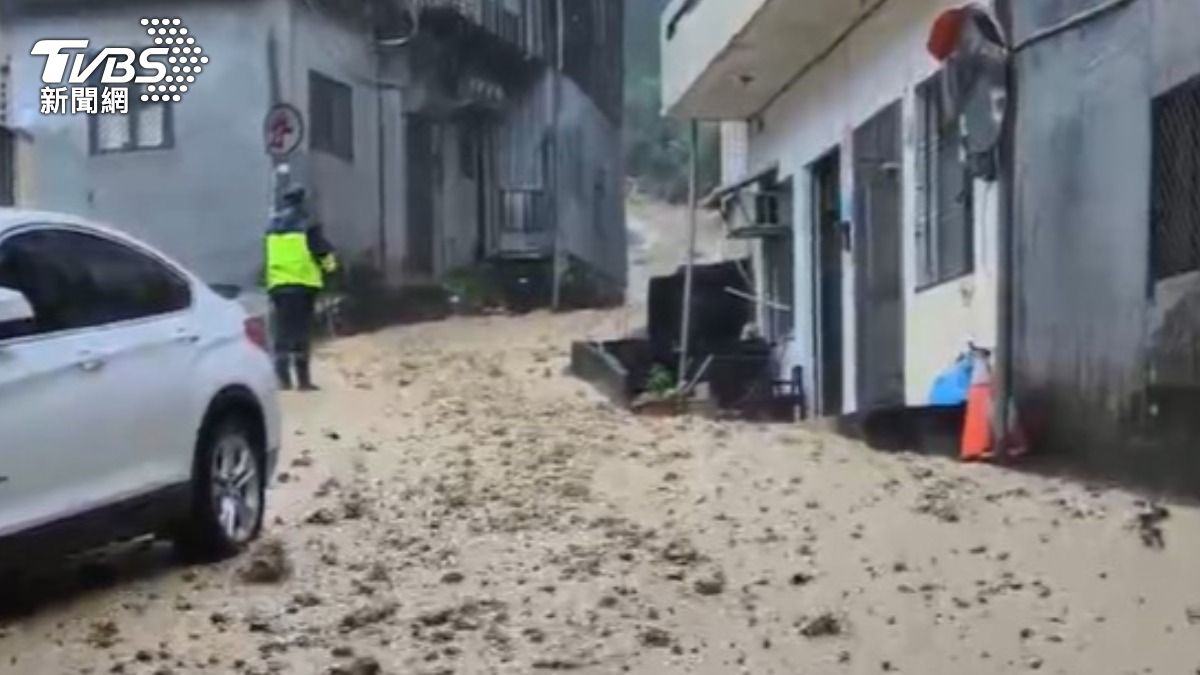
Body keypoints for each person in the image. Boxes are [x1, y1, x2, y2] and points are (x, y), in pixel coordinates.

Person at [264, 185, 338, 391]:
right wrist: (331, 268)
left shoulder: (272, 226)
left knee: (282, 332)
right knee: (301, 332)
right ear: (302, 202)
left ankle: (283, 379)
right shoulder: (307, 225)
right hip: (302, 285)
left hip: (278, 285)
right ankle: (303, 380)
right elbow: (323, 253)